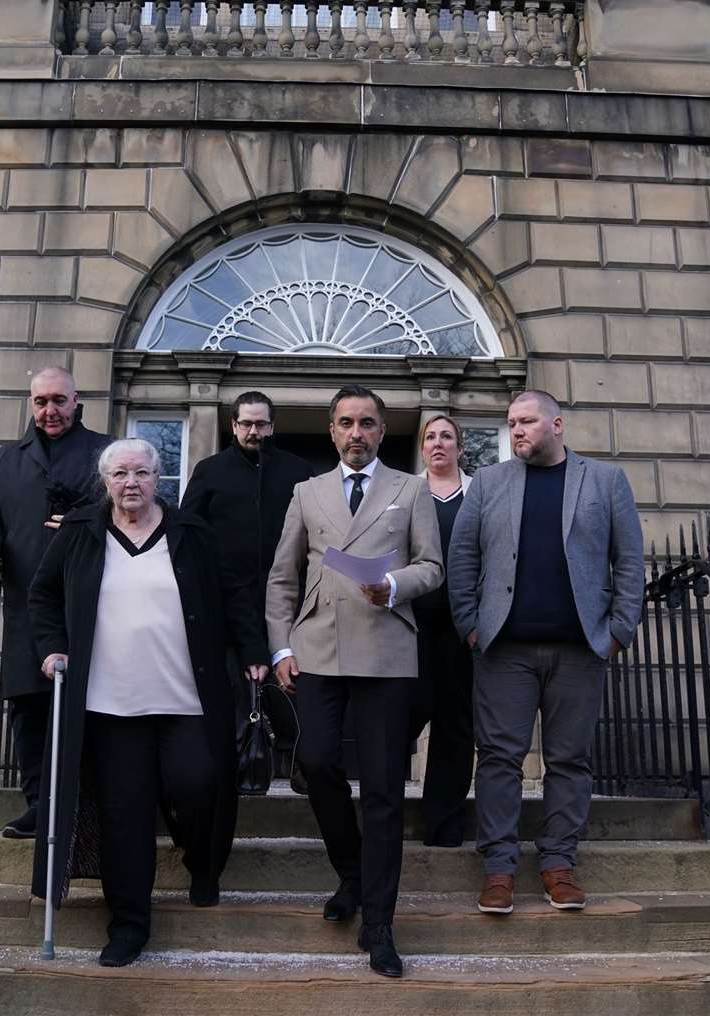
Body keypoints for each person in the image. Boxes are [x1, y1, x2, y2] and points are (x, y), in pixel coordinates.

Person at [28, 439, 267, 968]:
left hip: (184, 697)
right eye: (119, 474)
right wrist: (51, 649)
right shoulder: (81, 532)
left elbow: (233, 593)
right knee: (125, 817)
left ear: (159, 477)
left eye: (140, 472)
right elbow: (43, 596)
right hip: (111, 705)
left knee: (199, 785)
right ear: (105, 481)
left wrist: (253, 650)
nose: (130, 482)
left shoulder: (191, 532)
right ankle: (128, 926)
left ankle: (202, 863)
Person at [266, 385, 443, 978]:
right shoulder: (306, 492)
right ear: (332, 430)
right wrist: (282, 645)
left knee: (386, 789)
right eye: (346, 422)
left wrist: (394, 585)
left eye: (367, 422)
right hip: (317, 648)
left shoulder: (409, 489)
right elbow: (282, 579)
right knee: (315, 763)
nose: (356, 432)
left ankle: (380, 923)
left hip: (386, 651)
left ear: (381, 429)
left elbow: (433, 567)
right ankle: (352, 871)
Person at [445, 390, 644, 916]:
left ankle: (558, 864)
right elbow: (462, 556)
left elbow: (629, 562)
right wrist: (469, 624)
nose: (516, 431)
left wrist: (619, 630)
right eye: (511, 423)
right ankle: (499, 870)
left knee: (569, 760)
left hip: (579, 648)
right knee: (498, 760)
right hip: (503, 649)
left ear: (555, 424)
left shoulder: (604, 482)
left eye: (526, 421)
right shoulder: (488, 483)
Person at [0, 366, 112, 840]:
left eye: (59, 401)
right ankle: (38, 805)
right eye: (41, 402)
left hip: (91, 600)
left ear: (76, 400)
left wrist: (85, 520)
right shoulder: (5, 461)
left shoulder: (103, 453)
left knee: (90, 705)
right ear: (31, 404)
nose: (50, 411)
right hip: (26, 601)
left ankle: (84, 803)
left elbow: (131, 514)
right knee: (29, 705)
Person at [179, 391, 314, 780]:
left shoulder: (299, 471)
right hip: (226, 603)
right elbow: (190, 531)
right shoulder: (209, 471)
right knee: (237, 693)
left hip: (290, 599)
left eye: (261, 424)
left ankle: (302, 764)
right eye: (246, 424)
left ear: (272, 426)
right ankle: (241, 770)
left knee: (293, 687)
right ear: (234, 425)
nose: (253, 431)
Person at [408, 413, 475, 848]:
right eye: (430, 437)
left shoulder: (480, 494)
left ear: (459, 447)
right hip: (409, 626)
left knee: (455, 728)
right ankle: (385, 817)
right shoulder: (403, 492)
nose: (438, 444)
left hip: (462, 627)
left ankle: (444, 825)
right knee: (397, 722)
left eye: (446, 436)